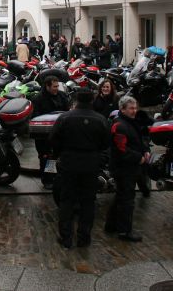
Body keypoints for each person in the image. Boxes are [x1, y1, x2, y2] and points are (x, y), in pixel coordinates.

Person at [50, 88, 110, 248]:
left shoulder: (65, 118)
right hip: (90, 164)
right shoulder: (100, 119)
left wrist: (61, 154)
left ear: (76, 100)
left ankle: (66, 237)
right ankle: (84, 238)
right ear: (92, 100)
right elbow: (106, 143)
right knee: (88, 202)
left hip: (69, 163)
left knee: (67, 201)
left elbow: (54, 139)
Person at [105, 96, 150, 242]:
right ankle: (125, 231)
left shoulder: (130, 122)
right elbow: (122, 149)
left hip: (129, 166)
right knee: (127, 200)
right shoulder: (119, 125)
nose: (134, 111)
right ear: (122, 109)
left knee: (121, 196)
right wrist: (139, 157)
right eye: (131, 108)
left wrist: (145, 150)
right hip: (123, 167)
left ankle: (111, 225)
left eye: (135, 108)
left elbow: (139, 138)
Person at [31, 75, 71, 188]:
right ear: (47, 86)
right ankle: (48, 180)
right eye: (54, 86)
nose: (56, 88)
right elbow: (35, 116)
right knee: (46, 157)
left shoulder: (62, 96)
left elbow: (67, 111)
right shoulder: (38, 99)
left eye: (57, 86)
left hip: (59, 133)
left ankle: (57, 178)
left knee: (57, 156)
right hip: (43, 135)